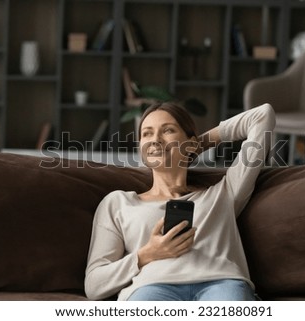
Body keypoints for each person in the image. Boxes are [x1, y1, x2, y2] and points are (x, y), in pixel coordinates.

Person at [84, 101, 275, 301]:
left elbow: (262, 116)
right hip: (151, 288)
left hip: (222, 285)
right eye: (147, 134)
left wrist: (196, 147)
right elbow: (94, 285)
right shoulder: (119, 203)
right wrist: (146, 255)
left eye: (167, 130)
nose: (155, 139)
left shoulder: (225, 194)